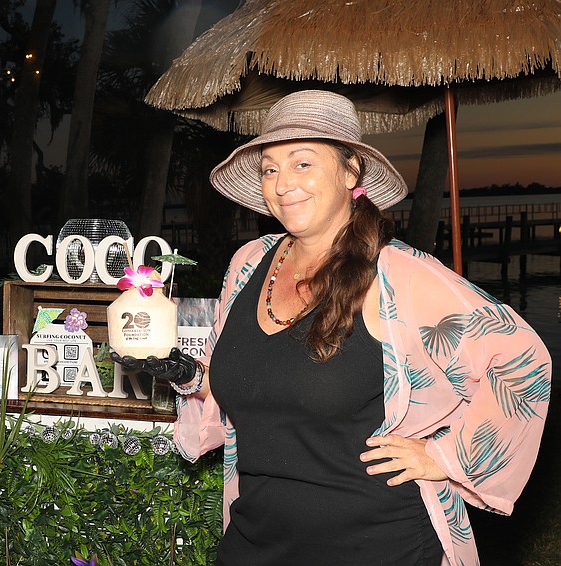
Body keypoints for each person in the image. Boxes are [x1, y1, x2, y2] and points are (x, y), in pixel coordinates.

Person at [114, 90, 551, 565]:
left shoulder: (398, 275)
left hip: (377, 545)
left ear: (350, 172)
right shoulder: (248, 264)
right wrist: (187, 375)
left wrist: (442, 456)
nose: (283, 184)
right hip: (254, 538)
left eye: (302, 164)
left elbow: (522, 361)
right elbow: (252, 385)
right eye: (269, 169)